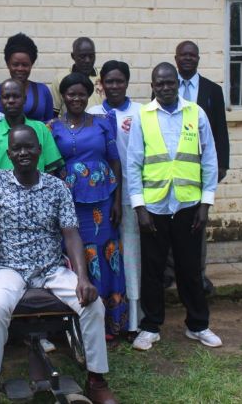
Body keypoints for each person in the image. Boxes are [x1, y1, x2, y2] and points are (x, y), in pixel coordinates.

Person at [0, 125, 119, 404]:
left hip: (51, 268)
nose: (23, 152)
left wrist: (82, 278)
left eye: (29, 146)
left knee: (93, 305)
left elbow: (71, 234)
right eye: (17, 148)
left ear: (40, 150)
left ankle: (97, 380)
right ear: (9, 153)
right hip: (9, 267)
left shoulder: (56, 187)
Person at [126, 62, 222, 351]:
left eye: (170, 82)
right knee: (153, 270)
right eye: (160, 83)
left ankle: (198, 325)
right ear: (152, 86)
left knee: (190, 269)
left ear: (178, 84)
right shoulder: (144, 115)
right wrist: (139, 207)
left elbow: (209, 160)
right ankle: (150, 327)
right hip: (154, 207)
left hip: (188, 206)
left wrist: (206, 203)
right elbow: (133, 163)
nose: (166, 87)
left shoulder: (195, 113)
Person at [48, 72, 126, 339]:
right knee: (75, 257)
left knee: (107, 255)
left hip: (103, 202)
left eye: (82, 93)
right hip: (68, 202)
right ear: (64, 97)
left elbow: (115, 162)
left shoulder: (103, 123)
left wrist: (117, 201)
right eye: (71, 94)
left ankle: (109, 325)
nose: (76, 98)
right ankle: (75, 326)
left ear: (88, 95)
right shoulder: (51, 127)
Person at [87, 60, 143, 340]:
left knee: (130, 254)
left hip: (132, 194)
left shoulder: (141, 113)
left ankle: (133, 319)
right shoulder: (92, 113)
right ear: (101, 84)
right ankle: (104, 317)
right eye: (109, 81)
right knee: (106, 256)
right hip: (99, 197)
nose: (114, 86)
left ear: (127, 82)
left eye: (120, 81)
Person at [172, 40, 230, 294]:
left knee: (198, 222)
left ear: (198, 59)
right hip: (169, 169)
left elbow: (220, 129)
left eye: (192, 55)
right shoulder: (165, 86)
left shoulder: (211, 90)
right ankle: (169, 274)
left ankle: (198, 275)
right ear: (176, 58)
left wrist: (222, 164)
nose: (187, 58)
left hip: (199, 167)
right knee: (169, 220)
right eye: (183, 55)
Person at [0, 78, 63, 210]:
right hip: (2, 206)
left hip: (39, 203)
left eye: (16, 96)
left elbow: (51, 172)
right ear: (0, 101)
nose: (11, 100)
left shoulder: (41, 129)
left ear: (24, 99)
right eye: (6, 97)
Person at [0, 33, 53, 122]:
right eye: (15, 64)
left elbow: (50, 123)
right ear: (8, 64)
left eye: (25, 65)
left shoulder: (42, 91)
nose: (20, 69)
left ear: (31, 64)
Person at [51, 37, 104, 116]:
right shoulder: (60, 79)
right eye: (82, 56)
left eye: (91, 56)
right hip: (69, 127)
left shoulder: (104, 78)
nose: (87, 60)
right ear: (73, 56)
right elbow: (54, 112)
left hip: (100, 127)